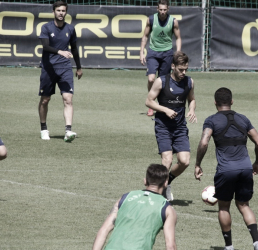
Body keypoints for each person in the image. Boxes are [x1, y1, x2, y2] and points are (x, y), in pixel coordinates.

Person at [194, 87, 258, 250]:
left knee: (224, 206)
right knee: (244, 205)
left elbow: (204, 142)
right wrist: (257, 162)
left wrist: (198, 163)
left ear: (215, 103)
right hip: (246, 168)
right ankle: (257, 243)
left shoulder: (211, 120)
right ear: (231, 102)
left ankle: (229, 246)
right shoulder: (243, 119)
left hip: (226, 170)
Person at [145, 51, 196, 201]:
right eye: (181, 69)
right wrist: (165, 109)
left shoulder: (189, 82)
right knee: (167, 160)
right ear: (173, 66)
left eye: (186, 69)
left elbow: (191, 99)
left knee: (185, 161)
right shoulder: (161, 81)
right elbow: (149, 101)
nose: (183, 72)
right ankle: (158, 194)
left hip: (180, 128)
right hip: (163, 127)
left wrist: (192, 110)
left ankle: (167, 183)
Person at [92, 164, 177, 250]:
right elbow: (170, 246)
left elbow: (104, 230)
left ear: (145, 181)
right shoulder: (167, 209)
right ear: (166, 183)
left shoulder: (125, 198)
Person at [38, 1, 83, 142]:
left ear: (66, 12)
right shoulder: (46, 27)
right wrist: (60, 52)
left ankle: (68, 131)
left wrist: (79, 67)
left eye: (63, 10)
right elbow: (45, 47)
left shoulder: (70, 28)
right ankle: (44, 128)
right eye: (58, 10)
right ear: (53, 12)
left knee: (68, 99)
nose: (61, 13)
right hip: (49, 68)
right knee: (45, 100)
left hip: (65, 68)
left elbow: (74, 48)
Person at [140, 0, 182, 116]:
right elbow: (145, 36)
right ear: (157, 9)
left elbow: (178, 38)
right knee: (151, 79)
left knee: (162, 81)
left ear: (168, 9)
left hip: (167, 54)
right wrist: (141, 53)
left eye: (164, 10)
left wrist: (177, 53)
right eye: (160, 10)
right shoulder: (151, 19)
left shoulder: (173, 21)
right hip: (153, 53)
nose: (162, 12)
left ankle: (161, 105)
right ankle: (151, 102)